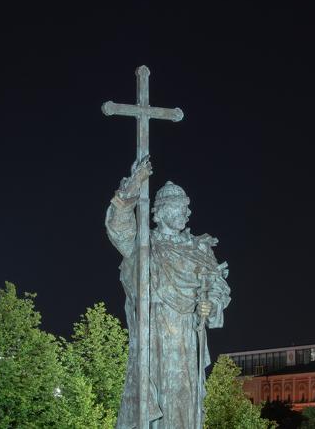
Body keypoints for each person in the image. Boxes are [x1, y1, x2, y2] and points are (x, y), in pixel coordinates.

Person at [106, 157, 231, 428]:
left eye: (187, 207)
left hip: (186, 336)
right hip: (153, 334)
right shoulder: (144, 246)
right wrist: (133, 186)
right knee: (154, 398)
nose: (187, 212)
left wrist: (210, 304)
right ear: (160, 211)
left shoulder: (198, 248)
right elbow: (119, 229)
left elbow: (218, 286)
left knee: (184, 398)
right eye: (179, 207)